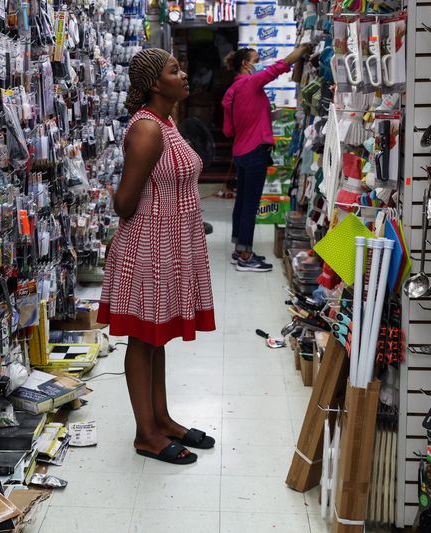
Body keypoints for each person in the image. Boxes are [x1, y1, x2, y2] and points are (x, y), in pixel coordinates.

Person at [97, 48, 216, 466]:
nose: (184, 75)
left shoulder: (168, 122)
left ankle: (161, 419)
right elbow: (124, 202)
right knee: (142, 338)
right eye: (174, 71)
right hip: (148, 245)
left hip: (169, 243)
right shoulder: (148, 130)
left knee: (156, 336)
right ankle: (145, 433)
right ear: (153, 83)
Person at [222, 45, 308, 272]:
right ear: (245, 64)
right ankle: (246, 256)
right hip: (254, 152)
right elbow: (279, 67)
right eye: (256, 60)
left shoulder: (232, 90)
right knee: (250, 205)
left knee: (242, 203)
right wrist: (302, 50)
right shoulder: (250, 83)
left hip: (241, 151)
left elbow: (228, 130)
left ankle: (238, 248)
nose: (259, 63)